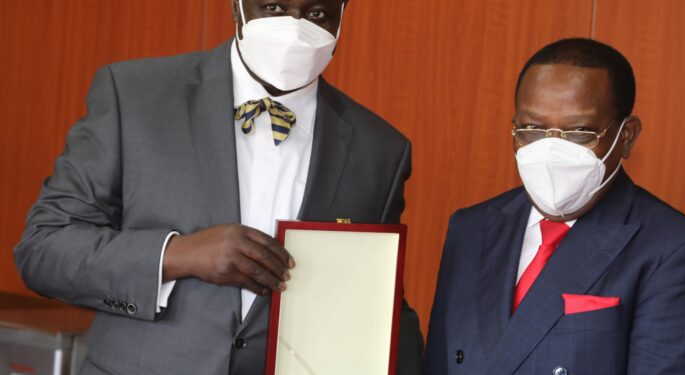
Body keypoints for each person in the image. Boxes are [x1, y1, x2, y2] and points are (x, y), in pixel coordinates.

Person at [14, 0, 423, 373]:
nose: (294, 27)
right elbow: (44, 250)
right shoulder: (135, 95)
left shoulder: (382, 150)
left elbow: (380, 303)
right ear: (237, 8)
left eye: (316, 14)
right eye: (275, 6)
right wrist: (177, 254)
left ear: (341, 18)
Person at [423, 38, 685, 374]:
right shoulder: (471, 229)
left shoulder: (678, 252)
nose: (551, 150)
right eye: (532, 129)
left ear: (626, 136)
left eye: (580, 132)